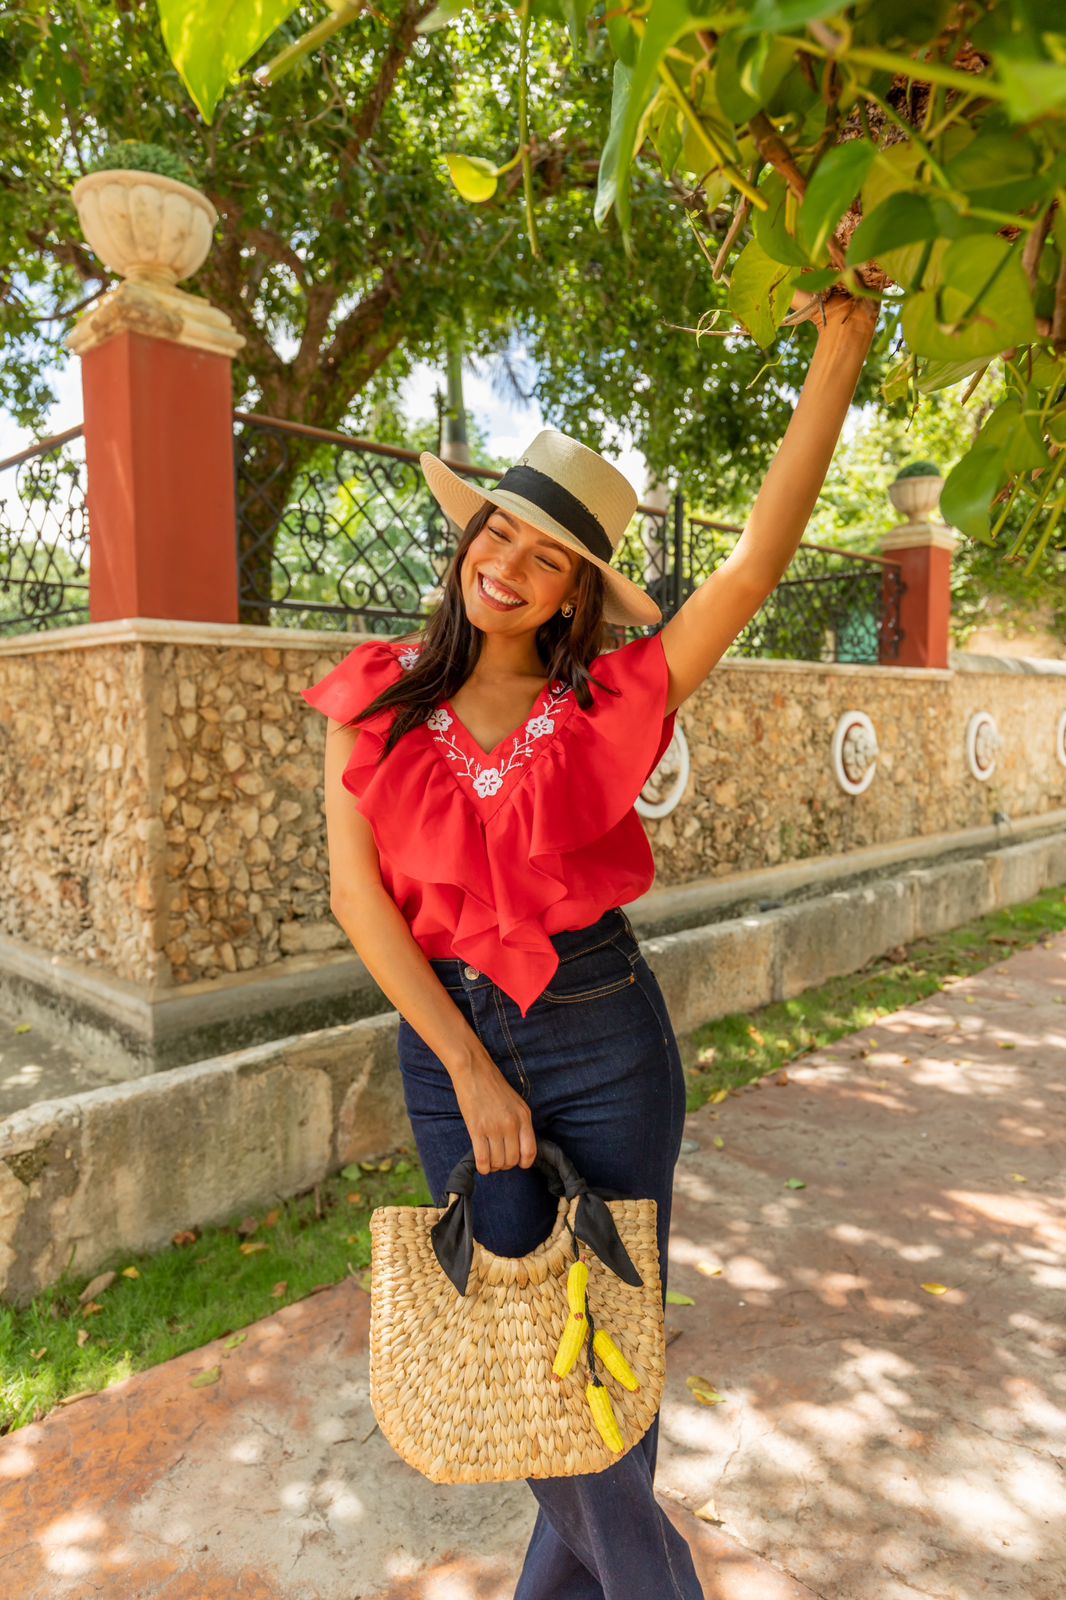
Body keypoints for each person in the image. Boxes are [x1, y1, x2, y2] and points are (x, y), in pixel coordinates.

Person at [302, 285, 880, 1600]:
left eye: (543, 553)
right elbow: (360, 906)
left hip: (602, 1031)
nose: (503, 558)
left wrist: (836, 358)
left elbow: (749, 569)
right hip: (453, 1046)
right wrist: (464, 1065)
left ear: (573, 593)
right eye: (493, 529)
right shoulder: (373, 702)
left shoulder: (611, 699)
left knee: (601, 1340)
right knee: (517, 1349)